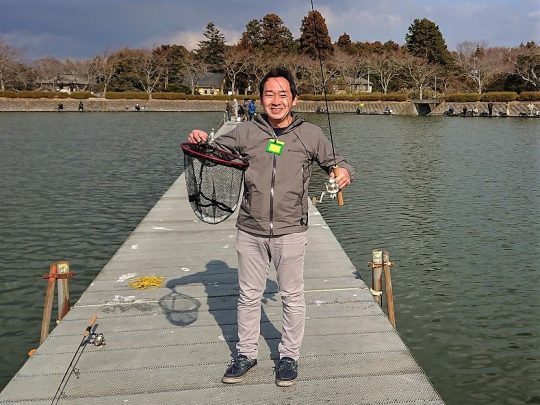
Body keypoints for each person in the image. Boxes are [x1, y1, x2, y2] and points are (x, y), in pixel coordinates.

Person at [187, 67, 354, 387]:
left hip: (291, 230)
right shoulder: (246, 132)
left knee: (292, 295)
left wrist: (343, 172)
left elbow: (339, 162)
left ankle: (289, 356)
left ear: (294, 99)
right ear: (260, 99)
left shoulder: (311, 134)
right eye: (269, 94)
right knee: (249, 296)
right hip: (250, 228)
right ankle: (245, 354)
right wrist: (200, 139)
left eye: (282, 94)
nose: (275, 100)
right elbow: (213, 151)